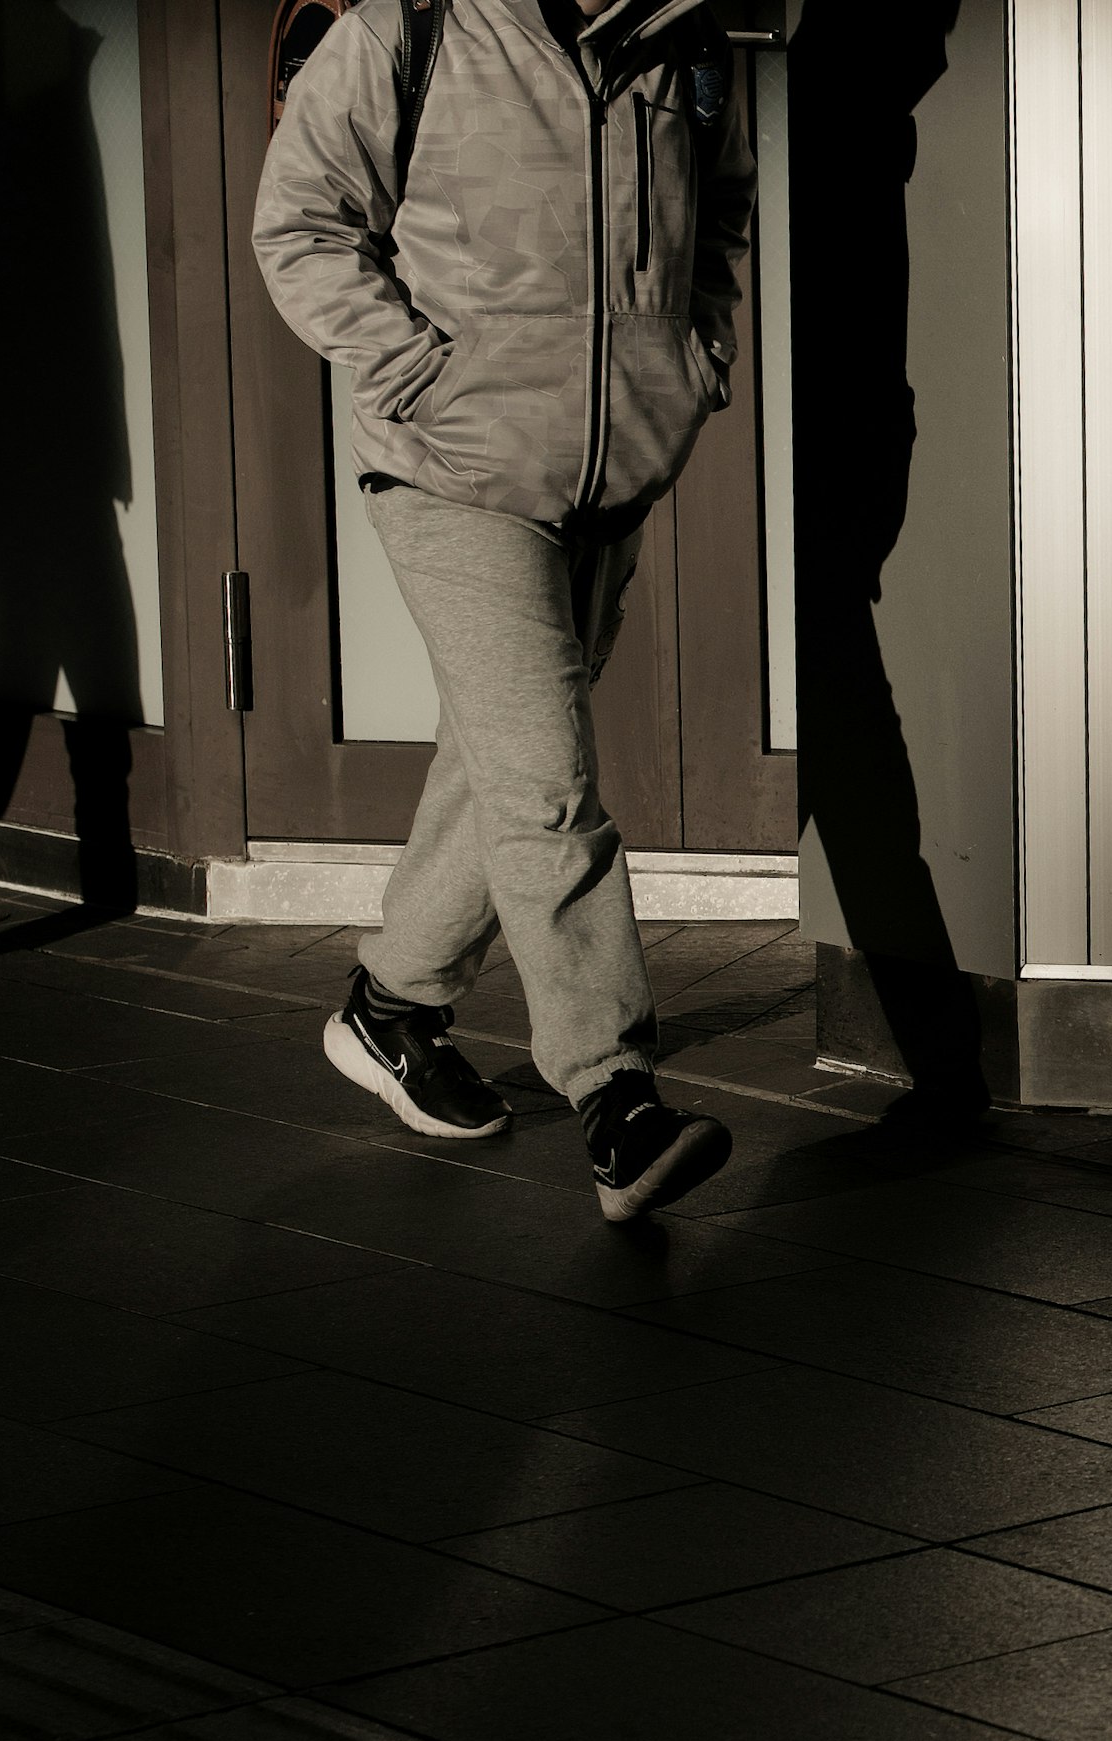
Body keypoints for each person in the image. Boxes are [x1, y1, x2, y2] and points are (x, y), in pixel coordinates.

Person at [253, 0, 749, 1220]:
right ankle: (615, 1098)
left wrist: (695, 361)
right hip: (451, 471)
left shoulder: (686, 45)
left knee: (503, 761)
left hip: (615, 469)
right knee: (544, 782)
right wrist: (419, 370)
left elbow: (720, 218)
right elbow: (301, 223)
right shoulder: (407, 30)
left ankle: (393, 1007)